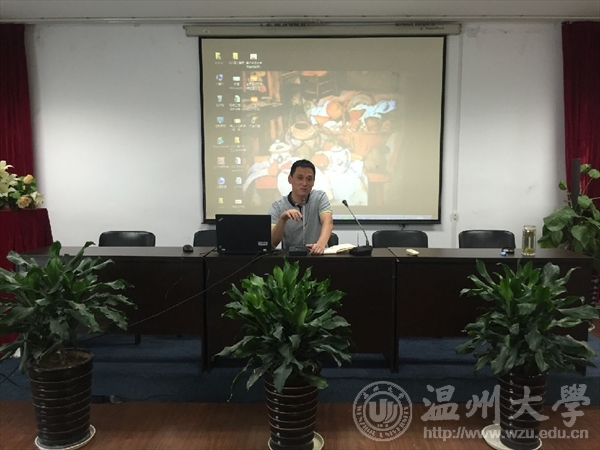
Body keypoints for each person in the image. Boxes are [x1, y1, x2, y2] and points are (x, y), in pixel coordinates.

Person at [270, 159, 333, 255]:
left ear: (313, 182)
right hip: (291, 259)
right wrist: (283, 219)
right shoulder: (277, 206)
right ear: (290, 179)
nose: (304, 183)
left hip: (317, 256)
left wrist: (320, 245)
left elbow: (328, 222)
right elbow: (272, 243)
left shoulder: (320, 197)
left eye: (309, 179)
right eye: (300, 178)